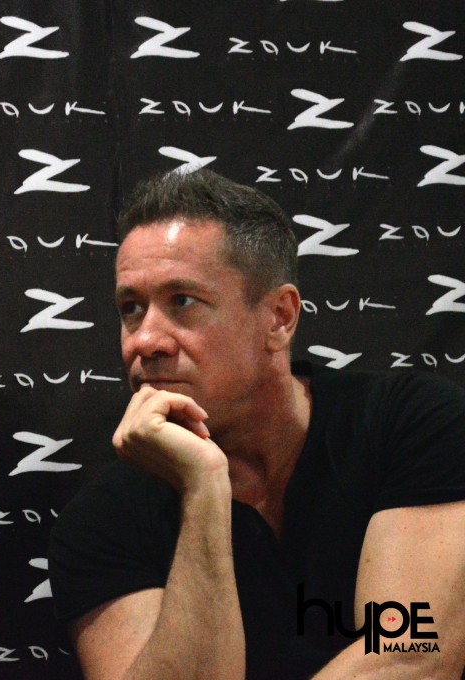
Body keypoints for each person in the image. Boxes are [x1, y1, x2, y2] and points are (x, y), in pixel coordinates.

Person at [48, 169, 465, 679]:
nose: (144, 340)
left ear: (279, 317)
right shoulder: (103, 521)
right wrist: (203, 491)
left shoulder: (408, 424)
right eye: (131, 308)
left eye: (182, 301)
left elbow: (409, 654)